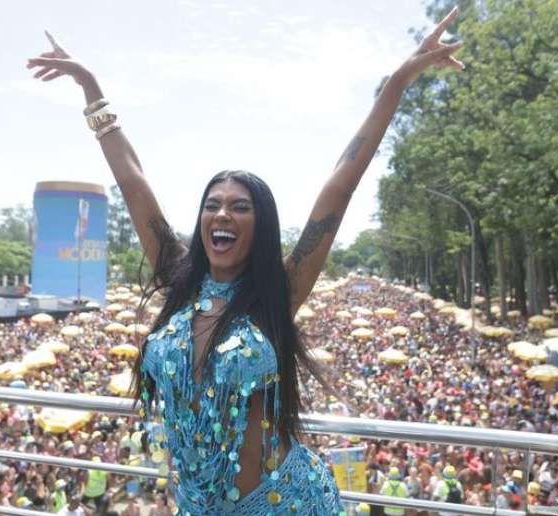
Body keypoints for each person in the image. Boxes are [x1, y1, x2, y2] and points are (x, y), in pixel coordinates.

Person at [26, 9, 465, 515]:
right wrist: (91, 87)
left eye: (239, 206)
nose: (222, 214)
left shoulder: (278, 290)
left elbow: (340, 184)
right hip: (195, 505)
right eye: (212, 204)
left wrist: (400, 79)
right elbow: (133, 179)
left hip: (284, 503)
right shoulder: (180, 278)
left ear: (260, 226)